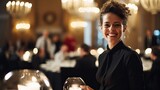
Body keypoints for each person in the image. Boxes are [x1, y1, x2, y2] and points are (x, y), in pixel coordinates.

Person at [85, 1, 145, 90]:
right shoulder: (102, 56)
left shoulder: (130, 57)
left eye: (116, 25)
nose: (111, 29)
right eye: (107, 25)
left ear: (124, 27)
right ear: (101, 27)